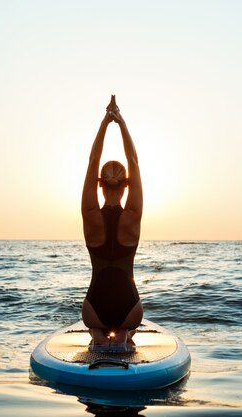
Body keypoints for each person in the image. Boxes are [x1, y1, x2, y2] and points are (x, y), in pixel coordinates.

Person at [81, 95, 144, 351]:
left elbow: (92, 161)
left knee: (96, 332)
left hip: (94, 309)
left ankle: (97, 337)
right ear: (127, 184)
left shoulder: (90, 214)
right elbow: (134, 162)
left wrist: (105, 122)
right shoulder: (133, 214)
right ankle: (124, 336)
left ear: (99, 183)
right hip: (129, 309)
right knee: (125, 332)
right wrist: (121, 122)